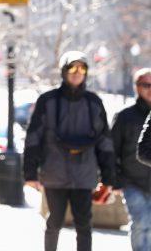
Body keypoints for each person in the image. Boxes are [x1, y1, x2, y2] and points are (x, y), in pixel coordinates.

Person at [23, 51, 116, 251]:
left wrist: (108, 177)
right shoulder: (47, 101)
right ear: (64, 71)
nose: (77, 72)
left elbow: (104, 141)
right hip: (54, 172)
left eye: (82, 68)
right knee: (54, 221)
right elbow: (34, 137)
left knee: (84, 225)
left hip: (84, 174)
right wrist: (29, 173)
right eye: (72, 68)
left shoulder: (93, 102)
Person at [112, 68, 151, 251]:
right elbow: (111, 150)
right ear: (137, 87)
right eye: (146, 85)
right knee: (141, 222)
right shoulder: (125, 117)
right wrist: (116, 180)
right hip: (132, 182)